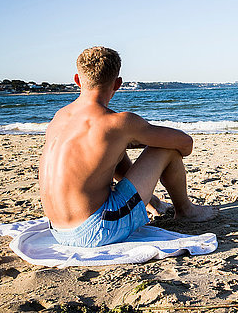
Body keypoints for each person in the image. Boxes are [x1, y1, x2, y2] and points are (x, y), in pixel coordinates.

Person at [39, 46, 218, 247]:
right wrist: (140, 139)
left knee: (113, 149)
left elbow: (101, 157)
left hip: (58, 231)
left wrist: (126, 141)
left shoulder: (59, 117)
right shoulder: (117, 123)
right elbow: (185, 143)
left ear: (77, 80)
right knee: (165, 148)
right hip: (97, 231)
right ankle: (185, 210)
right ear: (118, 83)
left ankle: (155, 204)